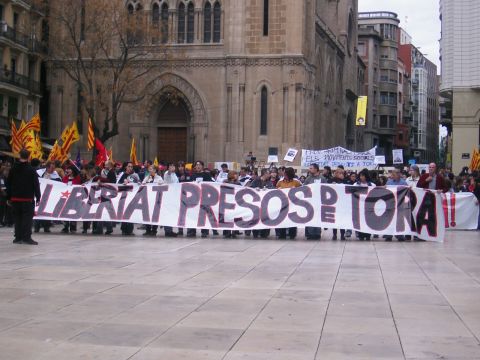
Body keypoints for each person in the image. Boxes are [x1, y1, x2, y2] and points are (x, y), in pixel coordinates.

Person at [6, 149, 41, 245]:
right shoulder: (31, 169)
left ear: (19, 156)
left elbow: (8, 183)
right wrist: (38, 197)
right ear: (29, 156)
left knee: (17, 218)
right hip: (27, 198)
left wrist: (9, 197)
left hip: (15, 198)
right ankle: (26, 238)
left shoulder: (13, 168)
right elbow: (36, 184)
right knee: (27, 219)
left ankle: (18, 237)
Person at [187, 161, 213, 238]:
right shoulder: (193, 175)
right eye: (196, 165)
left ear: (202, 166)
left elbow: (210, 184)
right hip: (194, 197)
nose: (198, 166)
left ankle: (204, 231)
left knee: (203, 215)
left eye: (199, 165)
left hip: (204, 197)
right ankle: (191, 231)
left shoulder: (206, 174)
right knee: (192, 214)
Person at [276, 167, 301, 239]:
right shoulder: (280, 182)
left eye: (285, 174)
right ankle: (282, 234)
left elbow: (302, 190)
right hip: (283, 203)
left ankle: (292, 234)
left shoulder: (296, 182)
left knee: (292, 218)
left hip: (293, 203)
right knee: (282, 218)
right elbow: (275, 191)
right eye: (284, 174)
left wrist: (295, 190)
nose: (284, 175)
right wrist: (278, 189)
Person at [249, 168, 273, 239]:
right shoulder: (256, 180)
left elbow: (272, 188)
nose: (270, 175)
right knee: (256, 218)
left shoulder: (269, 182)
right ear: (265, 173)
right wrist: (255, 189)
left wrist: (268, 189)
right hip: (257, 203)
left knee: (266, 218)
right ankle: (255, 233)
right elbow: (250, 188)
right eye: (269, 173)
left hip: (266, 204)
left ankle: (264, 233)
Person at [303, 163, 325, 240]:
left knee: (317, 217)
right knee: (309, 216)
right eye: (310, 168)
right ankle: (309, 233)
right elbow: (304, 188)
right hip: (310, 201)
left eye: (311, 168)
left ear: (316, 169)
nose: (310, 169)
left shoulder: (322, 178)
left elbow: (325, 189)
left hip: (318, 201)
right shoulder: (308, 178)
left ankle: (317, 233)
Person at [118, 162, 141, 235]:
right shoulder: (122, 174)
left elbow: (139, 182)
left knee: (131, 213)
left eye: (131, 167)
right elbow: (117, 184)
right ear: (126, 167)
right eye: (129, 166)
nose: (130, 168)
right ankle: (124, 229)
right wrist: (123, 183)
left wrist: (139, 183)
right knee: (124, 213)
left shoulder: (135, 175)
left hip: (132, 197)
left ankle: (130, 230)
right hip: (124, 197)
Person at [142, 165, 164, 236]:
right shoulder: (147, 177)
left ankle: (154, 230)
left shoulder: (159, 178)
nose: (150, 170)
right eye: (149, 169)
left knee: (155, 215)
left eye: (151, 169)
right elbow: (142, 185)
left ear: (155, 170)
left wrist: (160, 184)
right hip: (148, 198)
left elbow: (163, 186)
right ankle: (148, 230)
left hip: (156, 199)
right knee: (147, 214)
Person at [355, 169, 375, 241]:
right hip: (359, 206)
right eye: (360, 176)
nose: (361, 177)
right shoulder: (356, 184)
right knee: (361, 221)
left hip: (368, 206)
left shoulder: (372, 185)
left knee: (368, 221)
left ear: (366, 176)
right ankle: (361, 235)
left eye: (362, 176)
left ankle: (368, 235)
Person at [61, 166, 82, 233]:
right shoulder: (65, 178)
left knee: (73, 212)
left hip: (75, 198)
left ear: (73, 170)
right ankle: (66, 226)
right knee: (65, 212)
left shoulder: (77, 178)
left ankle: (73, 227)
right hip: (66, 198)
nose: (68, 170)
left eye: (69, 169)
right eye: (67, 169)